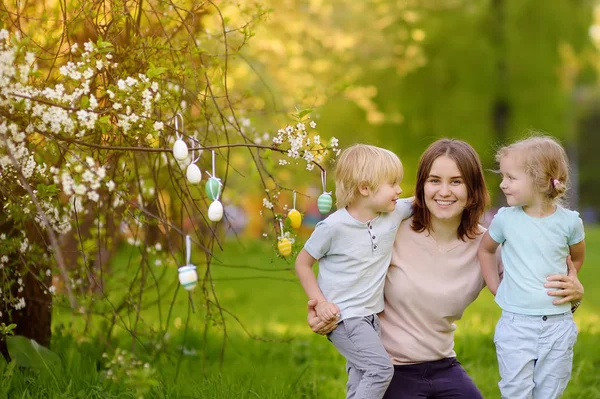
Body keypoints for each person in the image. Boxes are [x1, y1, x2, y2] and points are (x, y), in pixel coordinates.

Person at [306, 138, 584, 398]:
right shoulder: (390, 229)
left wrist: (572, 295)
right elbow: (343, 266)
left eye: (456, 181)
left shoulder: (489, 246)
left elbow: (533, 294)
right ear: (422, 186)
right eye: (434, 180)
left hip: (443, 365)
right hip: (389, 369)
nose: (444, 191)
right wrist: (324, 310)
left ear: (472, 190)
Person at [295, 144, 413, 399]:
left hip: (371, 316)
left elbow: (422, 201)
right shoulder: (333, 227)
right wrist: (321, 303)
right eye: (392, 183)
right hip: (345, 317)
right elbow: (302, 263)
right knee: (380, 371)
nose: (399, 190)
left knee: (360, 378)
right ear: (365, 188)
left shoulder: (392, 213)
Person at [478, 136, 586, 399]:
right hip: (516, 324)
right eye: (502, 176)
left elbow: (577, 257)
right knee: (516, 391)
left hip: (558, 325)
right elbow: (486, 249)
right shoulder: (505, 220)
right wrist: (495, 287)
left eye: (510, 177)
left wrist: (572, 280)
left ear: (539, 179)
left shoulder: (570, 222)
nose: (503, 183)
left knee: (550, 391)